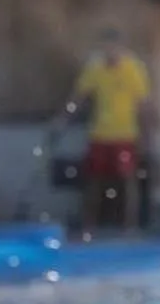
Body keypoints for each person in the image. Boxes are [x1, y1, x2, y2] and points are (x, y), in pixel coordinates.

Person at [65, 28, 151, 235]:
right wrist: (63, 118)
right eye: (106, 47)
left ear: (121, 47)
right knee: (93, 181)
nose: (110, 51)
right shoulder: (95, 68)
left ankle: (130, 227)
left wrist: (147, 134)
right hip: (99, 134)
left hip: (125, 134)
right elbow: (78, 98)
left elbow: (143, 103)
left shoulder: (133, 69)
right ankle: (89, 226)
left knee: (127, 180)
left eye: (114, 47)